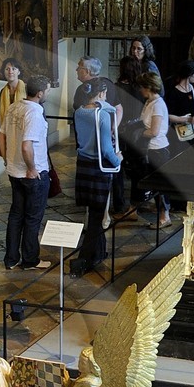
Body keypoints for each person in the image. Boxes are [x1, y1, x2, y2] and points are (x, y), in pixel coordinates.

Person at [72, 77, 120, 276]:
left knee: (93, 213)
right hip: (99, 167)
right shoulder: (102, 115)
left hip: (83, 164)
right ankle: (84, 260)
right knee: (97, 216)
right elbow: (107, 149)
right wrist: (118, 160)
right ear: (101, 93)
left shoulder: (79, 112)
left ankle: (99, 252)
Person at [3, 73, 51, 270]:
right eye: (47, 90)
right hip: (32, 174)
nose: (48, 93)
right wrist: (32, 169)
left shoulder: (14, 107)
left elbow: (1, 136)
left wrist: (7, 158)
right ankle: (30, 259)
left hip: (14, 171)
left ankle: (11, 259)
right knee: (32, 218)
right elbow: (26, 146)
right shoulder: (34, 113)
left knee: (16, 216)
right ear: (40, 93)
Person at [114, 37, 159, 222]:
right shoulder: (141, 91)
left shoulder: (116, 88)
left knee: (121, 168)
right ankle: (137, 203)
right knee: (138, 170)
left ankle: (122, 205)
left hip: (123, 133)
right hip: (138, 133)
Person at [136, 72, 173, 228]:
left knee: (160, 184)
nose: (139, 90)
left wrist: (137, 133)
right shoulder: (149, 102)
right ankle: (161, 212)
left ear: (148, 87)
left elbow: (154, 131)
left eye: (141, 87)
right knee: (155, 184)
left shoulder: (157, 104)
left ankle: (165, 217)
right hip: (151, 149)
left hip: (158, 149)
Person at [0, 57, 25, 163]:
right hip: (8, 135)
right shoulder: (3, 91)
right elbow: (0, 117)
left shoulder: (26, 89)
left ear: (19, 71)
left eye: (13, 68)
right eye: (7, 69)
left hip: (23, 134)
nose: (10, 71)